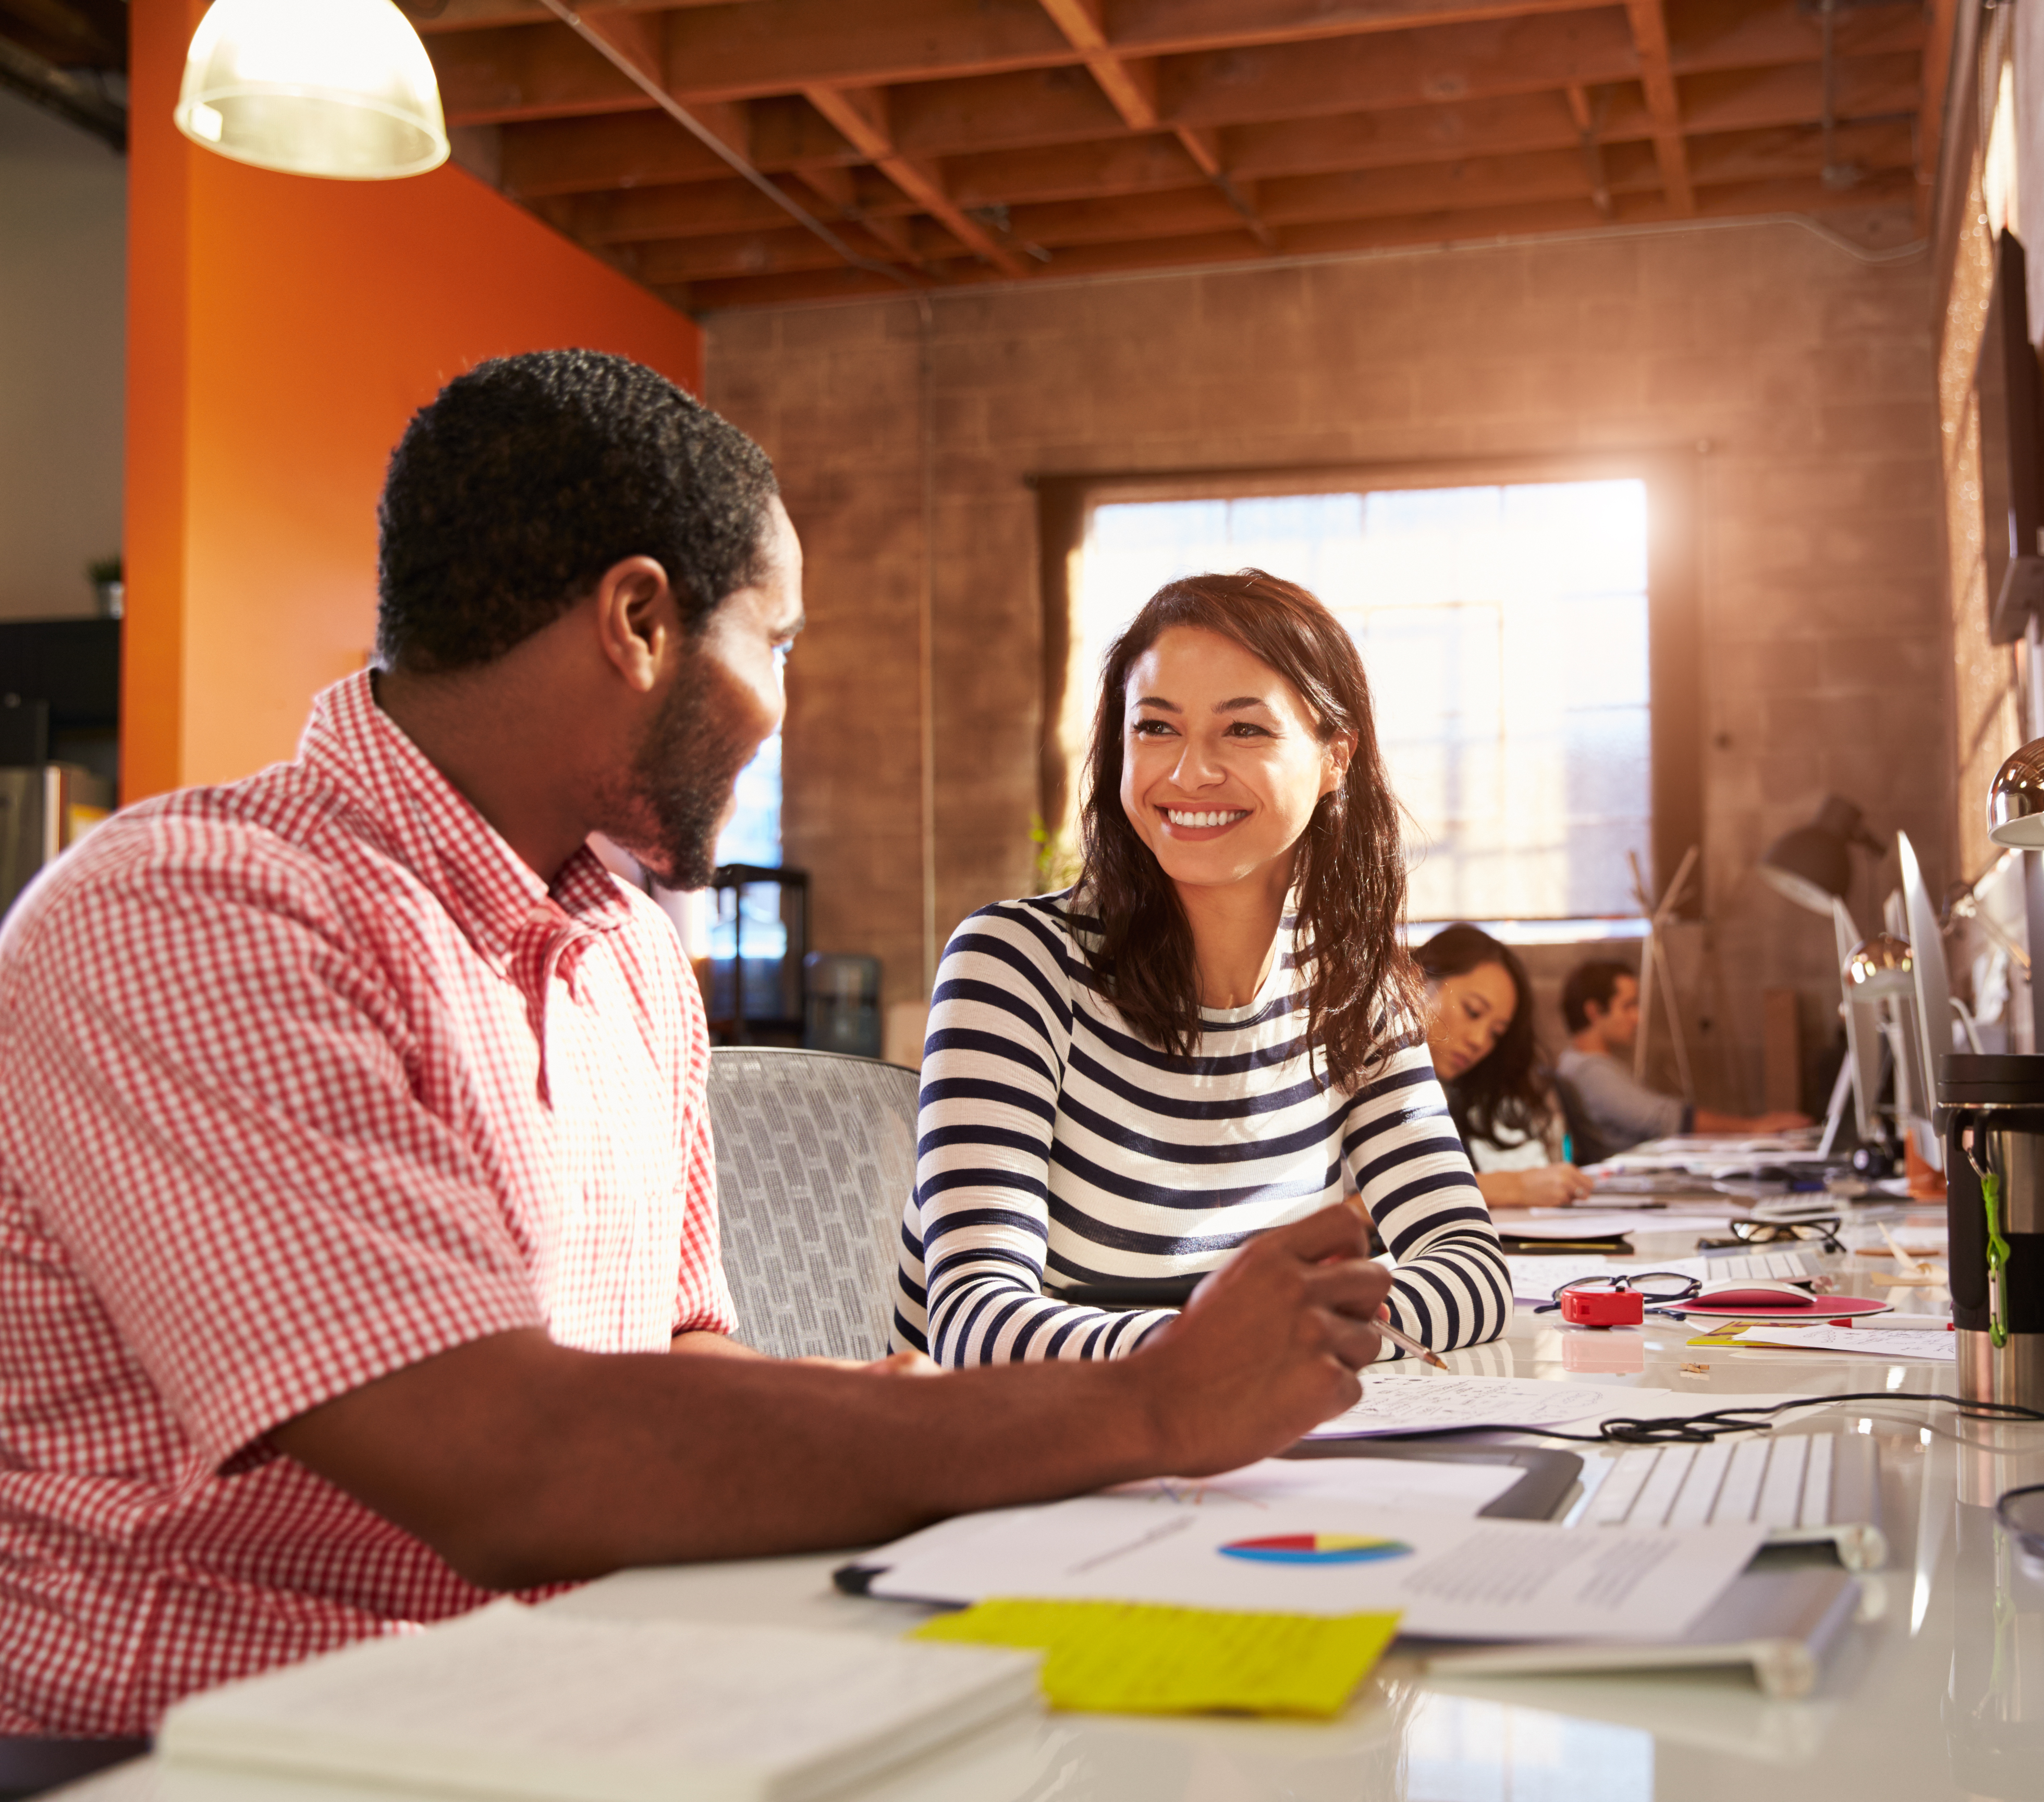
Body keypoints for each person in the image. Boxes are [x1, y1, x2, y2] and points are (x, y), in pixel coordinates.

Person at [0, 355, 1388, 1742]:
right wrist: (1140, 1406)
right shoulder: (195, 911)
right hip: (189, 1745)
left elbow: (676, 1356)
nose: (782, 708)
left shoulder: (629, 952)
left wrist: (903, 1405)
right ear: (640, 621)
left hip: (567, 1692)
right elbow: (507, 1465)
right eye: (775, 644)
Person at [902, 570, 1510, 1365]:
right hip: (1035, 1467)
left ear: (1336, 757)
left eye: (1244, 731)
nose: (1188, 774)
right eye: (1156, 728)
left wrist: (1281, 1338)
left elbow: (1472, 1271)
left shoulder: (1354, 989)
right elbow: (976, 1325)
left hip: (1253, 1459)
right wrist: (1250, 1340)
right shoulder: (1015, 966)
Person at [1414, 924, 1594, 1209]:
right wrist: (1513, 1187)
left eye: (1496, 1033)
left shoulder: (1449, 1096)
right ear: (1416, 979)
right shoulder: (1357, 1074)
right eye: (1473, 1011)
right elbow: (1348, 1211)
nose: (1479, 1042)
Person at [1556, 960, 1815, 1155]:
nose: (1638, 1018)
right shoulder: (1590, 1070)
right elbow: (1663, 1120)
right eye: (1628, 1006)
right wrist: (1753, 1128)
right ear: (1594, 1011)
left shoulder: (1576, 1062)